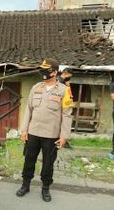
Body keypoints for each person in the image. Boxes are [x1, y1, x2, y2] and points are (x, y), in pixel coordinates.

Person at [16, 59, 73, 202]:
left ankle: (45, 188)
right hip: (33, 133)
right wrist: (24, 130)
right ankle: (25, 184)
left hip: (51, 135)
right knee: (29, 160)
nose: (43, 72)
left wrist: (64, 136)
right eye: (42, 69)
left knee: (48, 163)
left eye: (46, 70)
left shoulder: (64, 90)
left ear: (54, 72)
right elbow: (28, 110)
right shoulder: (36, 87)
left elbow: (67, 114)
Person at [57, 68, 74, 149]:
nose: (70, 77)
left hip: (65, 104)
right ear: (66, 73)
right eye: (70, 75)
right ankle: (62, 141)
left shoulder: (64, 82)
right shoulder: (59, 81)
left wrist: (68, 85)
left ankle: (63, 141)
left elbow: (69, 93)